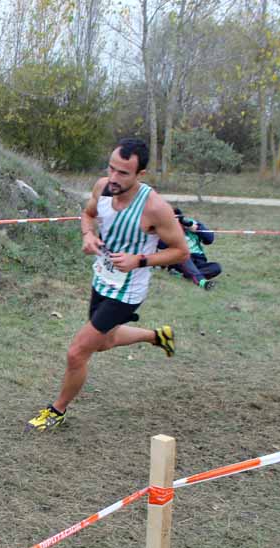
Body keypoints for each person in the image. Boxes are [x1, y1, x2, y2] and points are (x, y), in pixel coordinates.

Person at [26, 138, 190, 432]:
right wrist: (87, 235)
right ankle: (157, 336)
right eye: (111, 169)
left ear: (140, 175)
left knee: (77, 352)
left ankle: (57, 410)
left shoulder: (155, 208)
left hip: (127, 292)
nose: (114, 178)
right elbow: (88, 215)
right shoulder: (102, 188)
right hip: (102, 279)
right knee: (104, 341)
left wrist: (139, 260)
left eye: (123, 173)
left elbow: (181, 251)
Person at [160, 207, 221, 290]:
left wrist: (196, 228)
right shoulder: (165, 230)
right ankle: (201, 281)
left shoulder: (191, 224)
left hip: (199, 260)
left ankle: (184, 275)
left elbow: (209, 239)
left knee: (216, 267)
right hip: (180, 259)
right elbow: (161, 245)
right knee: (183, 255)